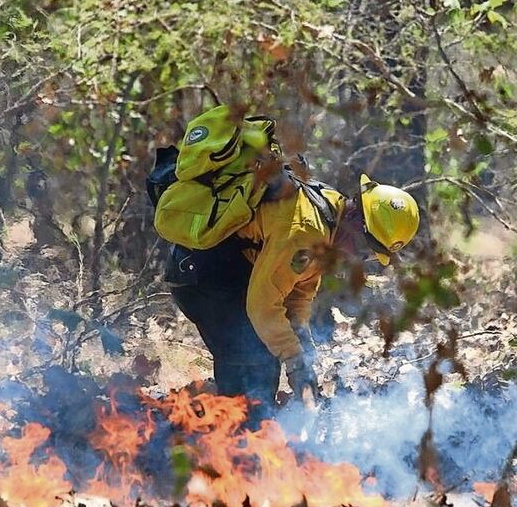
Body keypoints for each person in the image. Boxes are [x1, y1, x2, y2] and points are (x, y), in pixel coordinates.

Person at [166, 162, 420, 410]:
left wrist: (304, 352)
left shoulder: (330, 217)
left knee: (266, 359)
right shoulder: (306, 233)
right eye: (366, 250)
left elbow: (297, 295)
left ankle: (249, 434)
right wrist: (294, 360)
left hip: (230, 273)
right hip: (202, 274)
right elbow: (263, 307)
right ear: (356, 220)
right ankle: (236, 442)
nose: (360, 260)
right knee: (254, 369)